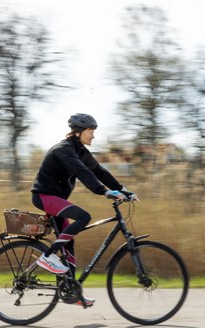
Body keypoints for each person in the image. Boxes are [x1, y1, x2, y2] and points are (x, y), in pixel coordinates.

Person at [31, 113, 137, 307]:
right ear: (79, 132)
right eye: (91, 131)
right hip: (44, 197)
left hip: (56, 199)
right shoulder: (64, 150)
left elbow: (98, 171)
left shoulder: (79, 150)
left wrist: (122, 190)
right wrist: (104, 192)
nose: (93, 136)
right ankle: (48, 257)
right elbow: (82, 172)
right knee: (84, 217)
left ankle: (72, 291)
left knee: (69, 241)